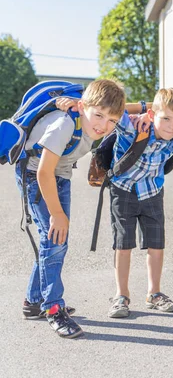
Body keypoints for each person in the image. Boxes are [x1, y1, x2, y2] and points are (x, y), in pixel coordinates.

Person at [15, 79, 126, 338]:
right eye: (98, 115)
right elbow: (43, 172)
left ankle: (32, 302)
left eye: (112, 121)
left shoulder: (94, 119)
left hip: (60, 176)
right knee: (55, 240)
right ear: (82, 105)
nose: (103, 125)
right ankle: (53, 307)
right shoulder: (65, 124)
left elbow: (118, 110)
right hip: (35, 177)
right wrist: (56, 214)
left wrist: (145, 109)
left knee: (53, 241)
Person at [106, 88, 173, 319]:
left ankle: (154, 293)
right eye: (166, 119)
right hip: (123, 191)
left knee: (156, 244)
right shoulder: (134, 128)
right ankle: (121, 295)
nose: (172, 127)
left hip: (152, 192)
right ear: (153, 115)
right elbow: (113, 108)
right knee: (123, 244)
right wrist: (144, 109)